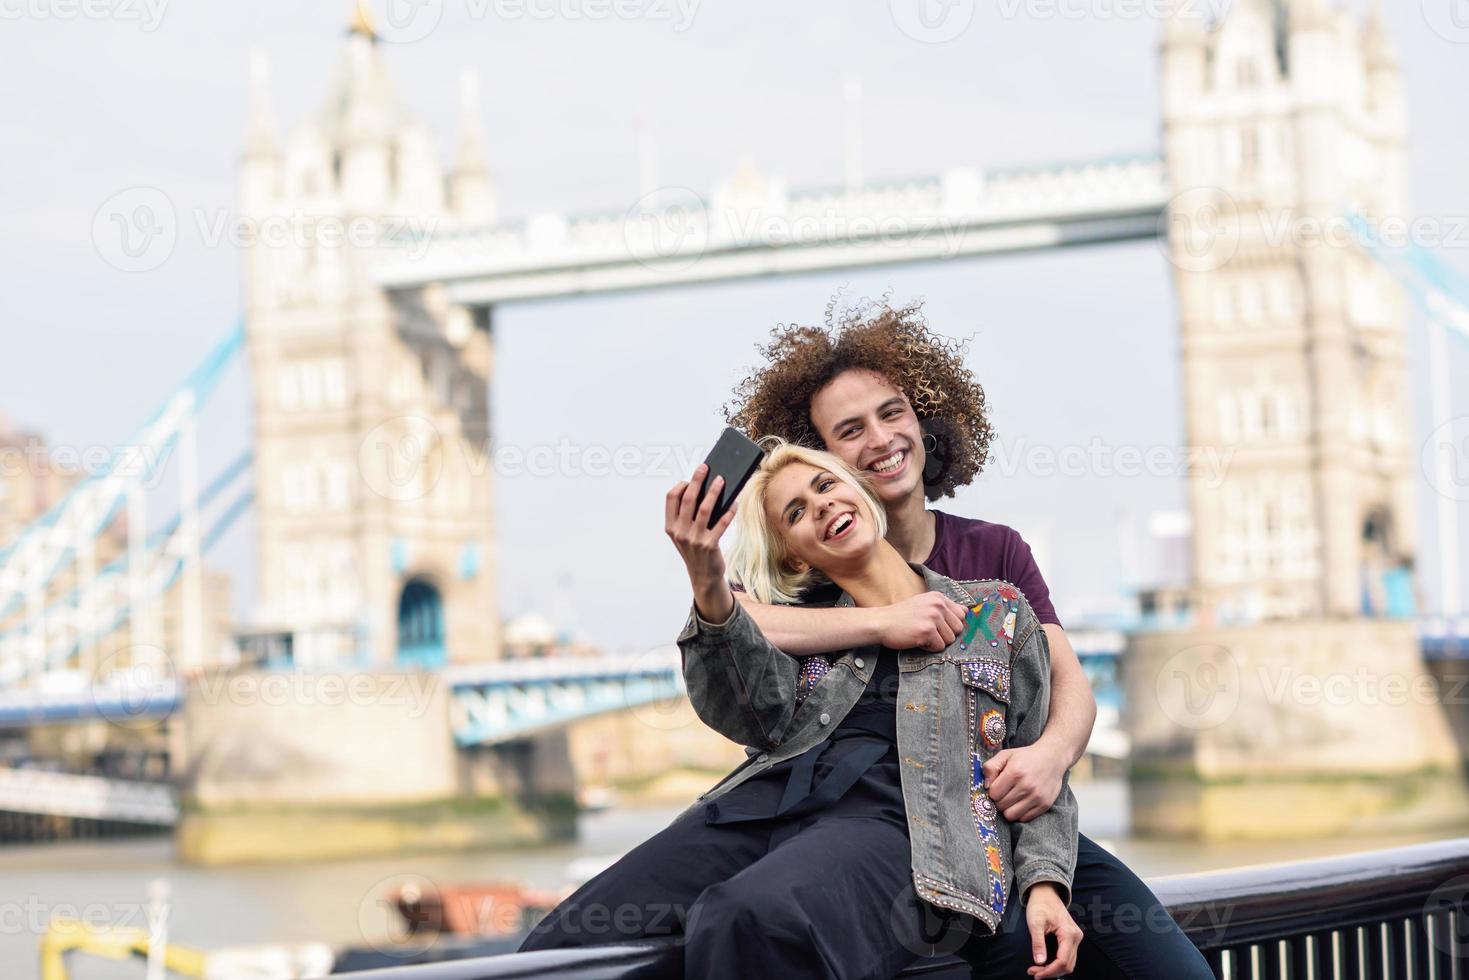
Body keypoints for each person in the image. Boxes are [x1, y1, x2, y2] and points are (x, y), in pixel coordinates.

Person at [722, 297, 1214, 978]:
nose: (881, 439)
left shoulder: (994, 551)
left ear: (923, 420)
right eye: (849, 430)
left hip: (1014, 823)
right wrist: (881, 620)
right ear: (819, 459)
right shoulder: (809, 570)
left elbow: (1066, 682)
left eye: (891, 413)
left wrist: (1047, 758)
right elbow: (735, 622)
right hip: (896, 841)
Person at [522, 441, 1085, 978]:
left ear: (860, 493)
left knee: (750, 919)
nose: (821, 505)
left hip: (905, 826)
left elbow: (1039, 761)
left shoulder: (994, 611)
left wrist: (1045, 887)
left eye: (825, 486)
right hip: (765, 808)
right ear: (792, 553)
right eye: (796, 511)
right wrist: (705, 575)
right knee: (558, 948)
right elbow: (743, 712)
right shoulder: (797, 625)